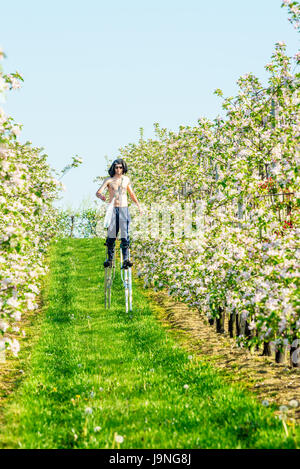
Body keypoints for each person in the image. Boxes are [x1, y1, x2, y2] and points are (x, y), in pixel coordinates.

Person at [96, 159, 143, 269]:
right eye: (116, 167)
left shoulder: (126, 180)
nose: (118, 169)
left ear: (123, 168)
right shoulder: (109, 180)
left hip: (124, 209)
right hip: (113, 209)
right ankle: (110, 259)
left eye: (120, 167)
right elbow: (98, 192)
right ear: (113, 168)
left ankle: (125, 259)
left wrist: (138, 206)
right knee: (111, 236)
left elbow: (131, 194)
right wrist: (101, 196)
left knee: (125, 235)